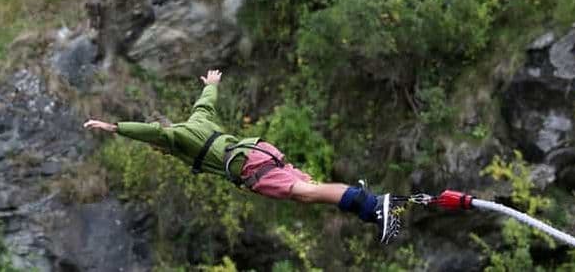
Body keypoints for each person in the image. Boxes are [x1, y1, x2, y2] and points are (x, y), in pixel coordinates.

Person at [84, 70, 400, 244]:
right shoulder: (196, 120)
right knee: (308, 192)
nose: (161, 150)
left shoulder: (176, 136)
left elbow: (154, 133)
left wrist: (114, 127)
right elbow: (205, 102)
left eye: (160, 149)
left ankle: (372, 204)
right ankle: (371, 209)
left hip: (250, 167)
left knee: (307, 192)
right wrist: (211, 85)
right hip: (260, 151)